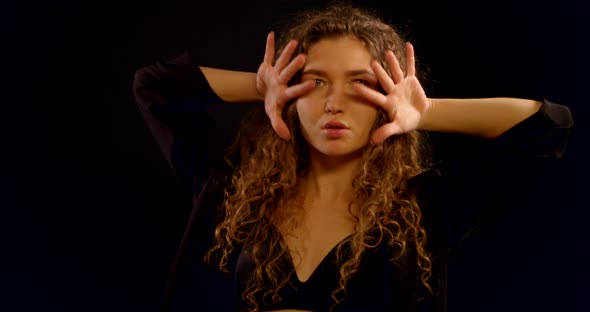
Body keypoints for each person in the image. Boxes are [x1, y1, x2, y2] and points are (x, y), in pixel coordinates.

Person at [133, 4, 573, 312]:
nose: (333, 104)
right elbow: (156, 86)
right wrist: (263, 87)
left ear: (386, 96)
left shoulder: (422, 209)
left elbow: (547, 124)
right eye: (315, 82)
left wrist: (426, 112)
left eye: (360, 84)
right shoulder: (234, 189)